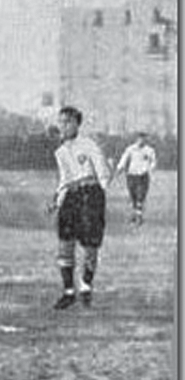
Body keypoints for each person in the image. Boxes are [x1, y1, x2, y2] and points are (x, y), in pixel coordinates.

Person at [46, 106, 110, 310]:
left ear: (77, 123)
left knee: (91, 246)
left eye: (68, 121)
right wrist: (56, 201)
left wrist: (99, 195)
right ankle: (68, 292)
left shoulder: (88, 144)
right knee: (65, 244)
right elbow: (65, 179)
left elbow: (102, 171)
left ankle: (85, 287)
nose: (63, 126)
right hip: (71, 197)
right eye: (61, 121)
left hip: (91, 196)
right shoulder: (61, 152)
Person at [112, 132, 157, 226]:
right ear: (136, 139)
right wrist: (119, 169)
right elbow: (124, 159)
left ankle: (139, 218)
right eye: (140, 138)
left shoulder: (149, 150)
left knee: (140, 197)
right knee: (133, 197)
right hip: (131, 176)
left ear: (146, 139)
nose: (141, 140)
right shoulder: (131, 149)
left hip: (143, 176)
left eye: (143, 138)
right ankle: (135, 215)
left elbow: (153, 161)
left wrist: (151, 168)